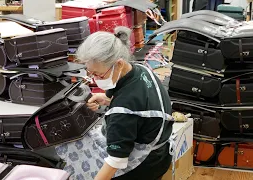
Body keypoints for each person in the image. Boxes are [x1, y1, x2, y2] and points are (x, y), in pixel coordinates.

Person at [54, 26, 174, 180]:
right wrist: (107, 98)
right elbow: (142, 101)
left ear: (119, 64)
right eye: (90, 73)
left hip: (146, 166)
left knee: (71, 147)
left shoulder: (122, 111)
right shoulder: (141, 70)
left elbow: (116, 160)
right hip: (161, 152)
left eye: (98, 74)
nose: (95, 79)